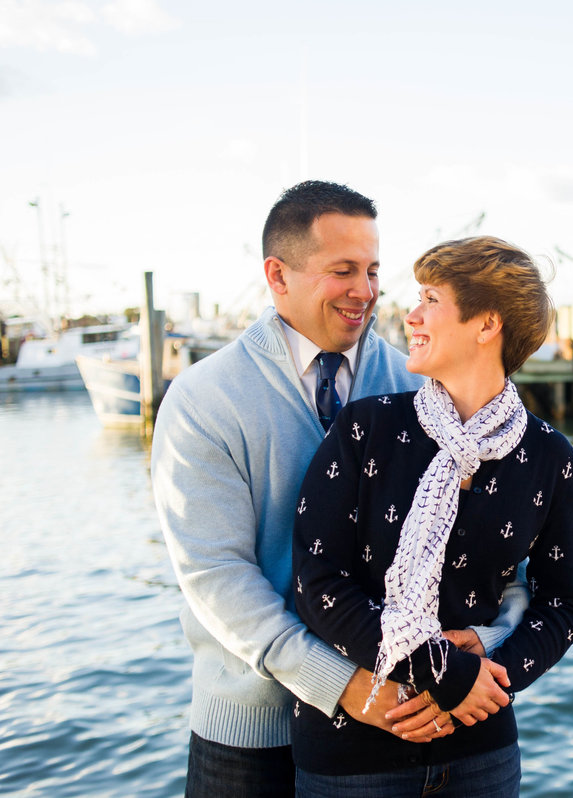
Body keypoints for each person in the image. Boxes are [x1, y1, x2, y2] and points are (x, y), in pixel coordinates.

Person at [151, 182, 527, 797]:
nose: (367, 291)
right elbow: (216, 575)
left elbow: (493, 538)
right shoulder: (203, 399)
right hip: (253, 730)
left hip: (397, 726)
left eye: (374, 270)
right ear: (278, 276)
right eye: (343, 270)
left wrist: (480, 644)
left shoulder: (416, 383)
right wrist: (344, 686)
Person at [291, 236, 573, 797]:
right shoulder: (365, 429)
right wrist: (443, 673)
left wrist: (496, 677)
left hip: (480, 748)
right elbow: (318, 584)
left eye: (430, 299)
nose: (411, 313)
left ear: (486, 325)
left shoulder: (549, 456)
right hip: (353, 751)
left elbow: (564, 603)